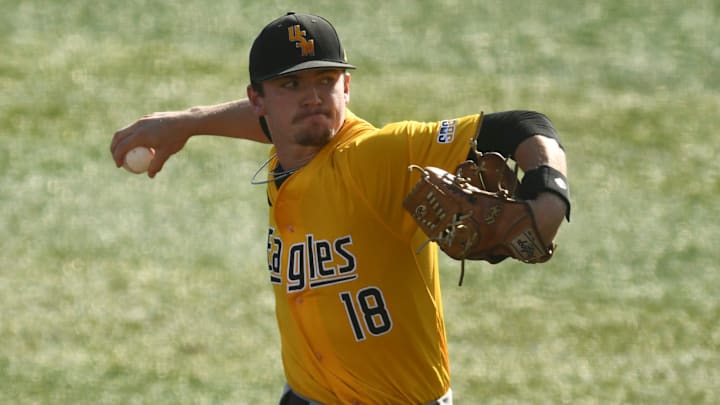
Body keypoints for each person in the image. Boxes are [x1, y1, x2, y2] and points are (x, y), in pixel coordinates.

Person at [110, 12, 570, 405]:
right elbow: (276, 125)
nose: (312, 97)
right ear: (258, 100)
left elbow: (525, 126)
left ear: (346, 87)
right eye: (292, 83)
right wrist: (189, 122)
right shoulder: (288, 152)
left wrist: (548, 195)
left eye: (326, 81)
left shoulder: (377, 158)